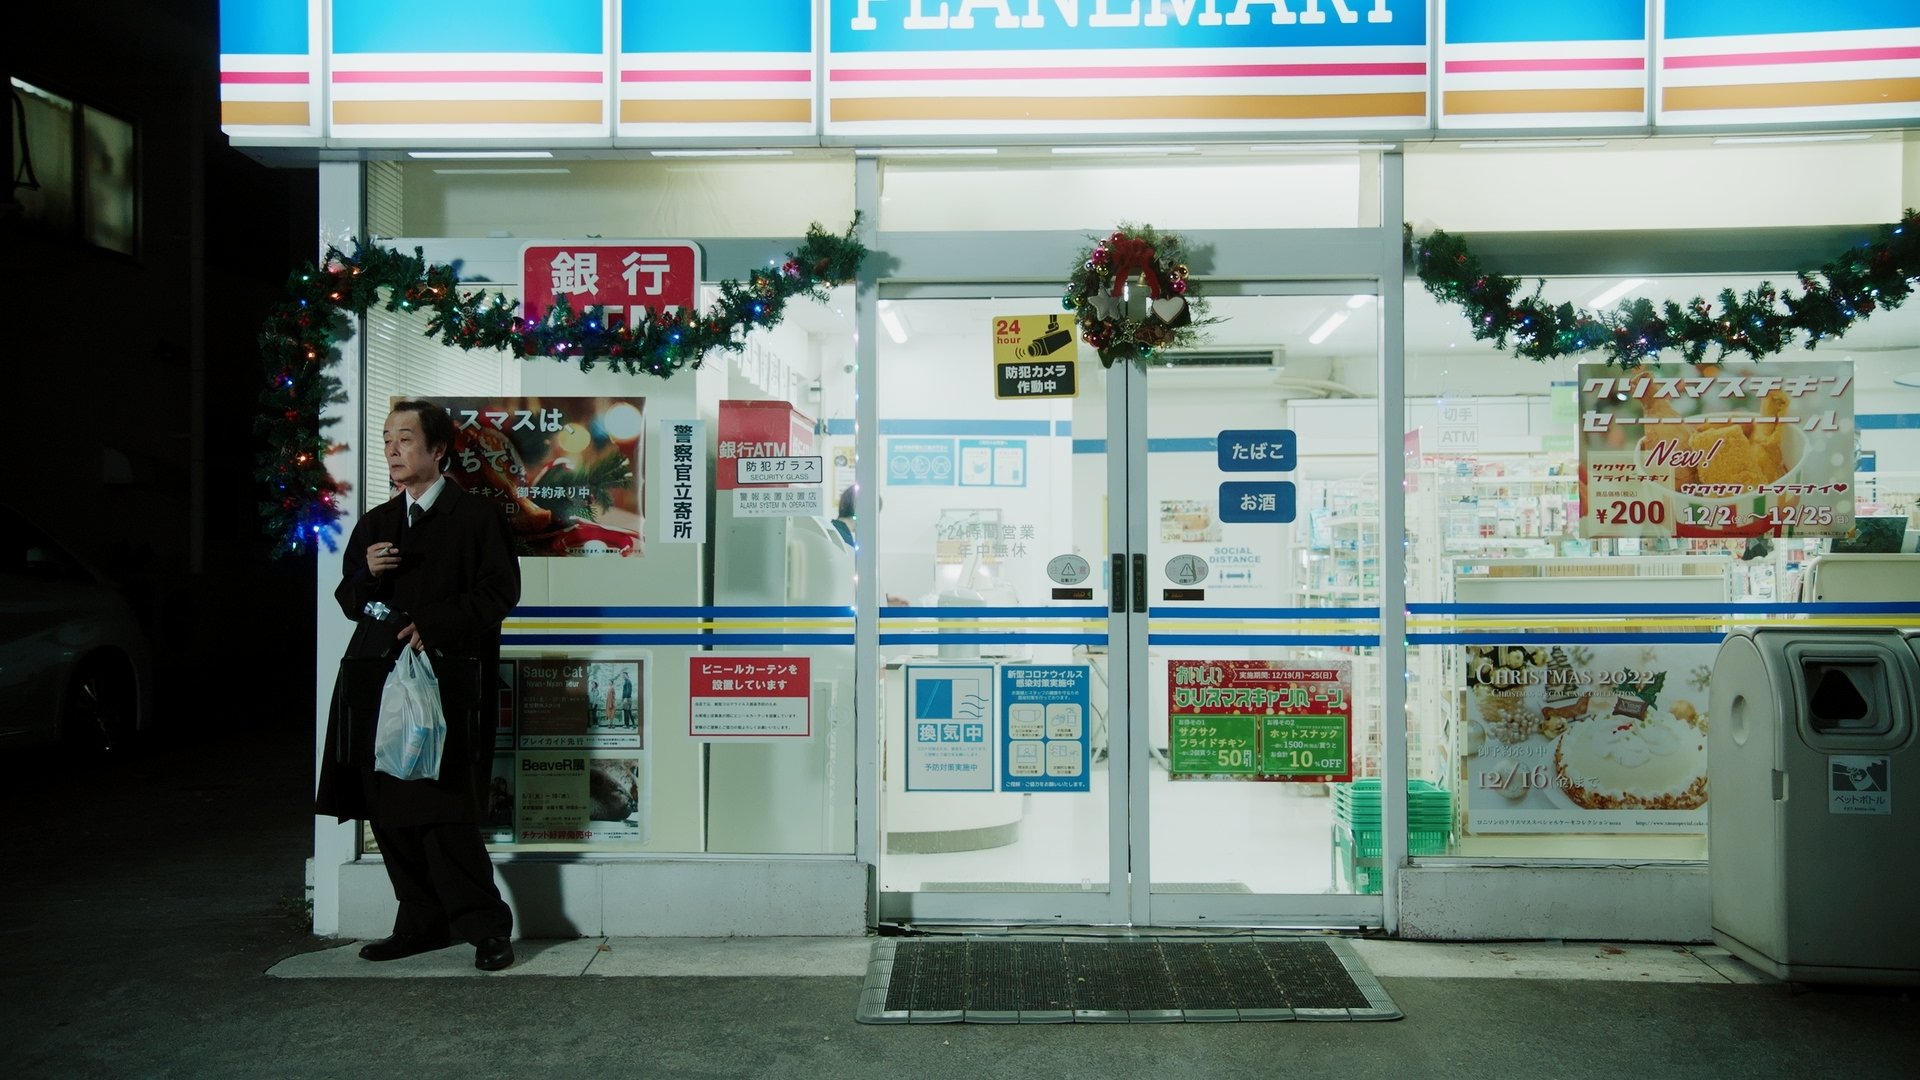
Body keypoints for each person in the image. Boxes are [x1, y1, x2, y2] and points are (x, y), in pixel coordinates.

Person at [316, 400, 521, 972]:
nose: (393, 450)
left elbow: (500, 592)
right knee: (385, 807)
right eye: (387, 440)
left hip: (445, 681)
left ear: (438, 450)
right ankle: (420, 922)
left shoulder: (475, 516)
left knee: (444, 809)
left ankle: (486, 928)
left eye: (405, 439)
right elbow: (349, 599)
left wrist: (433, 625)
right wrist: (367, 575)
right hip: (376, 680)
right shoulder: (378, 522)